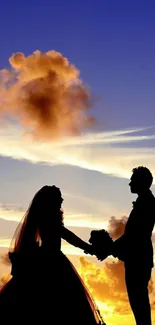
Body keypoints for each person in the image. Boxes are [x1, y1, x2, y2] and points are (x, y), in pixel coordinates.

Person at [0, 185, 104, 324]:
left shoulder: (47, 217)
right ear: (51, 200)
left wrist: (88, 248)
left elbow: (66, 235)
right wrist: (88, 248)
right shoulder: (50, 218)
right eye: (58, 197)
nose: (62, 199)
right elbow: (68, 236)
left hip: (48, 259)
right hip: (52, 261)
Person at [112, 167, 155, 325]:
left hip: (138, 259)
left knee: (139, 305)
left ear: (141, 182)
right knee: (138, 305)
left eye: (133, 179)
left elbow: (134, 235)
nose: (130, 182)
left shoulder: (146, 203)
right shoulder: (146, 201)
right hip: (137, 258)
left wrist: (110, 248)